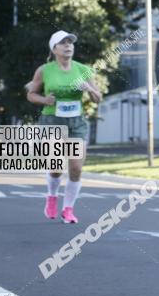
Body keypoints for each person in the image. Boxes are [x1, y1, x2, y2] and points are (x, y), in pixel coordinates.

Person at [26, 31, 102, 224]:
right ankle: (52, 196)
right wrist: (45, 99)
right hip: (52, 121)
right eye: (63, 43)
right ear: (54, 49)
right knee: (56, 167)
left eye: (70, 42)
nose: (68, 45)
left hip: (76, 123)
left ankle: (68, 209)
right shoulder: (44, 70)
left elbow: (98, 98)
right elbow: (31, 94)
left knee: (76, 168)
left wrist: (90, 89)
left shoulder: (83, 70)